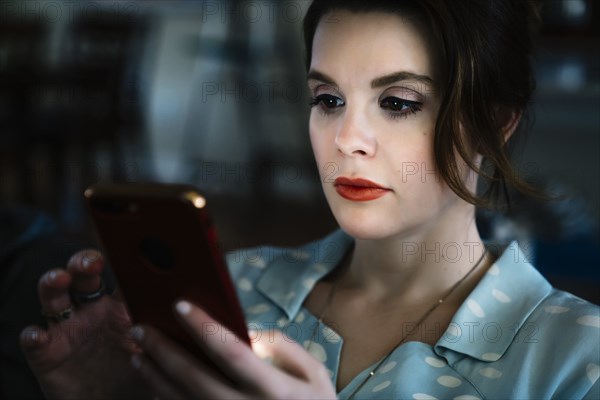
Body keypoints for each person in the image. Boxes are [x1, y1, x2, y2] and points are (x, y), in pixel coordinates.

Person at [19, 0, 599, 398]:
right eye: (327, 98)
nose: (347, 139)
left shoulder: (576, 362)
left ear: (495, 122)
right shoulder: (232, 295)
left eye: (397, 102)